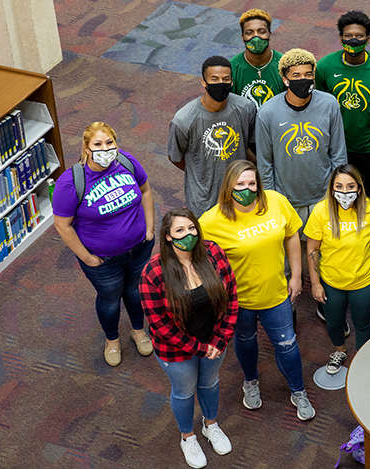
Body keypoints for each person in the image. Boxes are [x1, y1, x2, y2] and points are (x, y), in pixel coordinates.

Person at [199, 160, 315, 421]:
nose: (247, 189)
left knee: (287, 345)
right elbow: (199, 262)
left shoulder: (275, 201)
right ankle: (250, 381)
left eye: (252, 183)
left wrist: (296, 276)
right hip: (239, 303)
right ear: (228, 187)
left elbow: (292, 235)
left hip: (276, 295)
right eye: (240, 184)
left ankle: (298, 390)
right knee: (245, 341)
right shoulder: (210, 221)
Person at [139, 209, 238, 468]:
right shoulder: (153, 272)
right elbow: (159, 324)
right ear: (168, 238)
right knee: (184, 392)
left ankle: (211, 425)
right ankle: (188, 437)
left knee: (209, 383)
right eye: (180, 231)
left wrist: (221, 339)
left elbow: (232, 296)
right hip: (177, 351)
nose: (188, 234)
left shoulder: (213, 252)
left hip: (215, 342)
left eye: (191, 228)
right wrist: (199, 348)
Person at [53, 122, 155, 367]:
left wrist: (150, 228)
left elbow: (146, 190)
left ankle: (139, 330)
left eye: (109, 143)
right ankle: (112, 339)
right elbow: (62, 225)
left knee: (135, 291)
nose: (105, 148)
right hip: (103, 260)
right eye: (98, 144)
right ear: (86, 148)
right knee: (110, 299)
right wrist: (87, 258)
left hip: (140, 247)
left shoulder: (127, 163)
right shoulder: (70, 183)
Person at [305, 164, 370, 374]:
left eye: (350, 186)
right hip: (330, 282)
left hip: (363, 281)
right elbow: (312, 247)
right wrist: (316, 284)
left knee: (362, 324)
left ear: (359, 189)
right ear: (331, 189)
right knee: (334, 323)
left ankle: (362, 358)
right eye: (339, 187)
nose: (345, 192)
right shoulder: (321, 211)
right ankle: (340, 351)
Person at [256, 47, 347, 228]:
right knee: (290, 252)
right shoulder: (267, 112)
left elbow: (338, 153)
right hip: (286, 199)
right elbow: (265, 162)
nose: (303, 80)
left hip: (323, 196)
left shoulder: (330, 104)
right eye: (296, 76)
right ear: (285, 80)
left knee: (323, 249)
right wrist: (272, 199)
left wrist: (337, 191)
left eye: (308, 75)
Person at [315, 10, 370, 210]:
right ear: (341, 38)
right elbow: (320, 108)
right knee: (340, 200)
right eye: (348, 36)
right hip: (338, 148)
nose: (354, 41)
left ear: (368, 39)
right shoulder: (325, 66)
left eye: (359, 36)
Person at [168, 55, 257, 217]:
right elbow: (175, 157)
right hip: (204, 200)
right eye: (214, 79)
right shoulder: (183, 120)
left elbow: (249, 144)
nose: (220, 84)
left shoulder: (246, 108)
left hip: (240, 193)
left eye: (225, 79)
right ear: (203, 82)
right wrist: (200, 171)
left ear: (231, 82)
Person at [230, 8, 285, 108]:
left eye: (262, 31)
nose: (256, 37)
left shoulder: (285, 65)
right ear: (242, 38)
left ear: (270, 35)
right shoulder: (231, 68)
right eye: (249, 33)